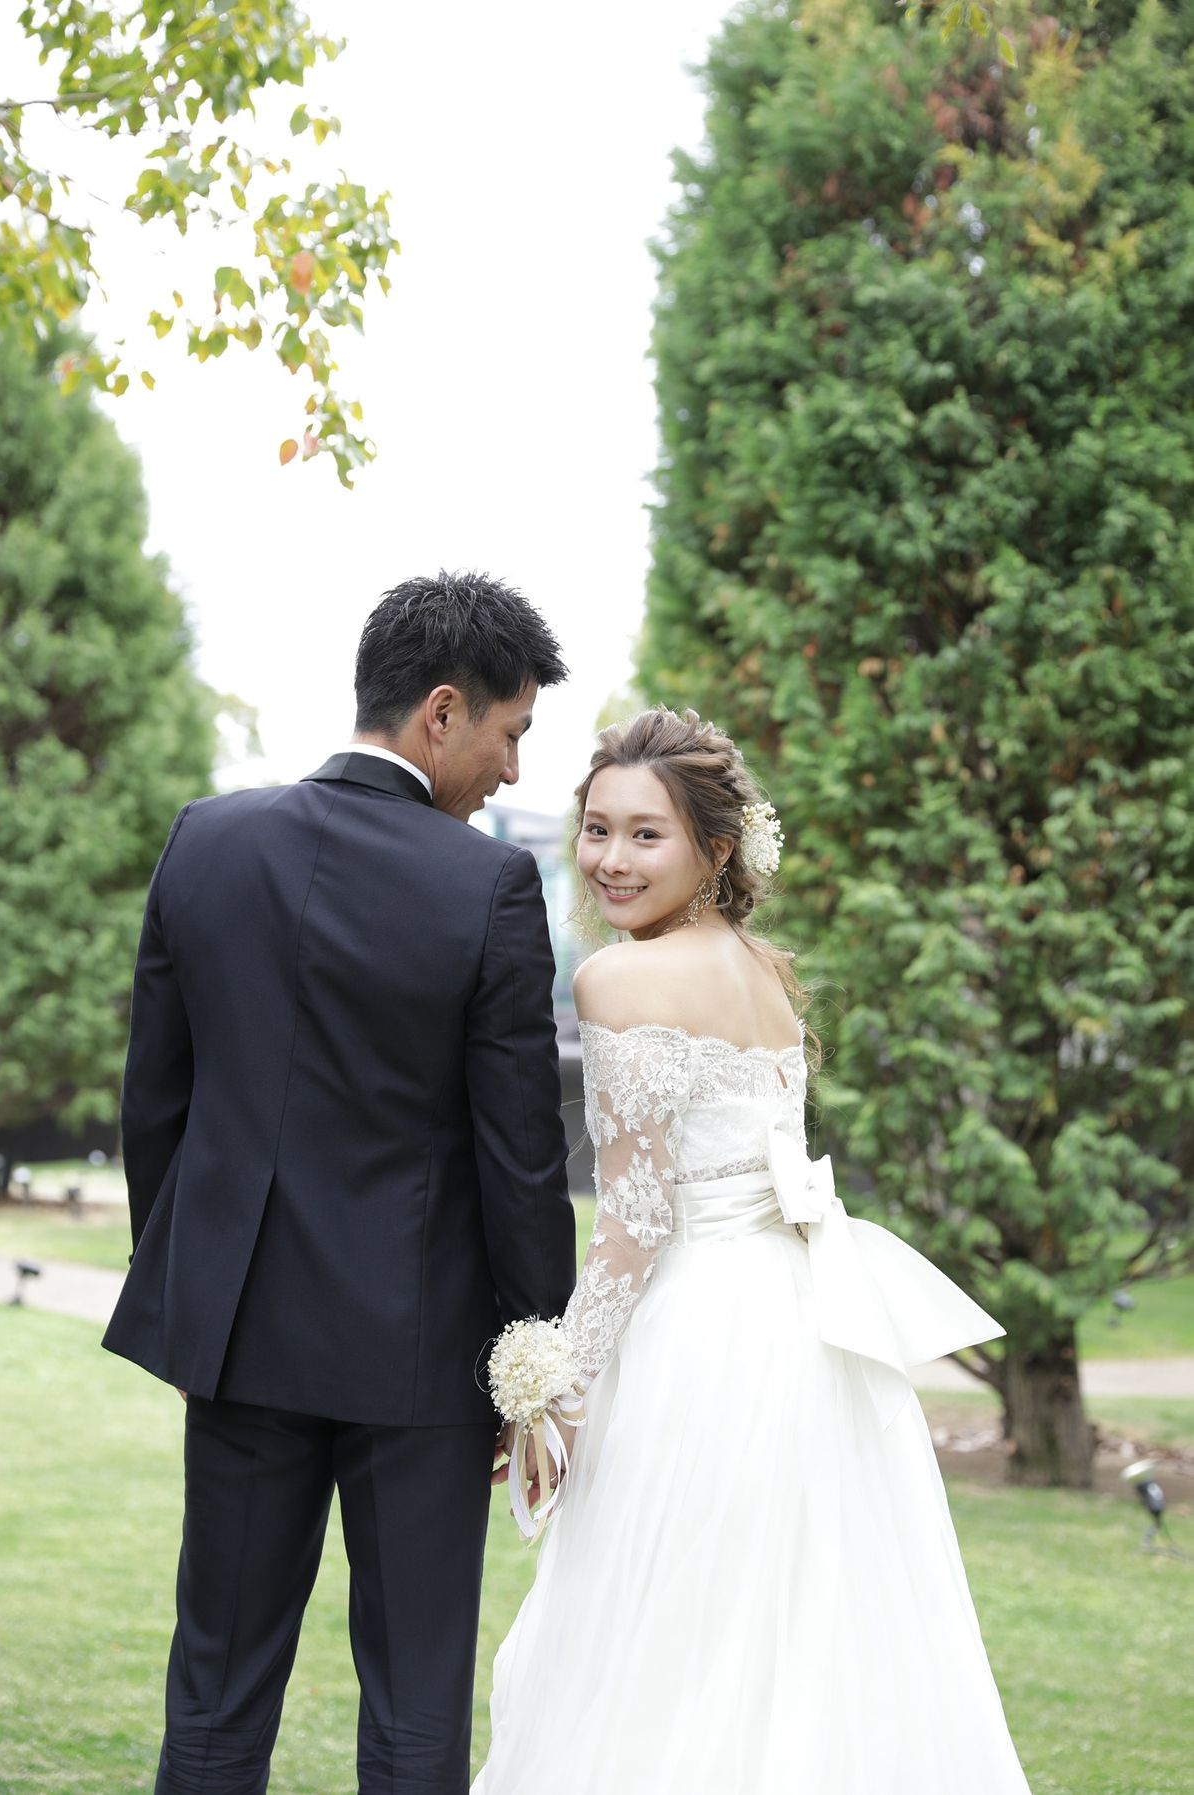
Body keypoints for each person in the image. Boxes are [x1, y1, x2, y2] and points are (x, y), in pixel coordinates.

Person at [474, 706, 1032, 1795]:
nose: (610, 858)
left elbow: (635, 1222)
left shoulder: (618, 980)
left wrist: (555, 1387)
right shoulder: (758, 966)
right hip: (802, 1330)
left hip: (697, 1338)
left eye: (646, 834)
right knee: (796, 1630)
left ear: (715, 847)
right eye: (597, 828)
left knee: (661, 1638)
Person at [102, 571, 577, 1795]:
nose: (512, 769)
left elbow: (156, 1102)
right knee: (416, 1710)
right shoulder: (485, 885)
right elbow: (520, 1152)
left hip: (242, 1341)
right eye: (511, 731)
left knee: (214, 1693)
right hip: (419, 1364)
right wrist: (530, 1354)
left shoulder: (205, 841)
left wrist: (200, 1292)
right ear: (440, 711)